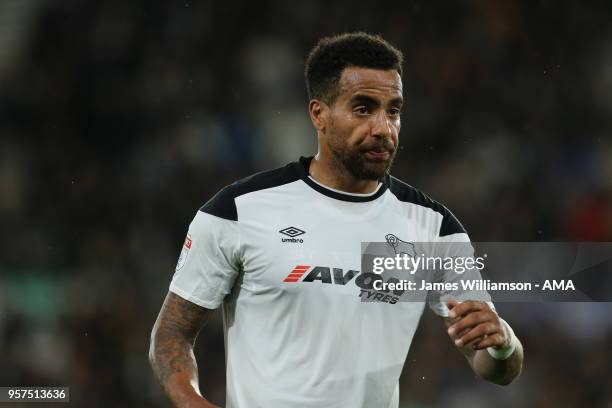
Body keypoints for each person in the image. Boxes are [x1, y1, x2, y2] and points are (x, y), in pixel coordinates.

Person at [149, 32, 524, 408]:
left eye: (393, 111)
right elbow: (172, 333)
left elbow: (493, 366)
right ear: (319, 114)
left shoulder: (434, 228)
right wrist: (191, 401)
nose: (383, 128)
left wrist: (504, 345)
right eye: (363, 108)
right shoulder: (239, 210)